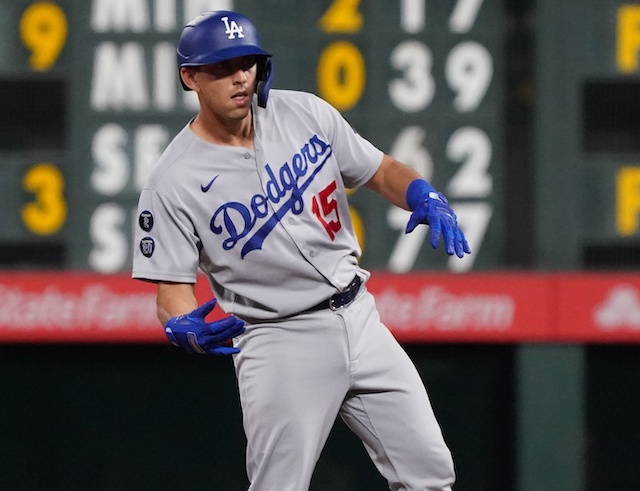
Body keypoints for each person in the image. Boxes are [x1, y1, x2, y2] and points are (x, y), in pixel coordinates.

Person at [132, 10, 470, 491]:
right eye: (223, 68)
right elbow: (172, 290)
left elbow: (380, 169)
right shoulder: (172, 181)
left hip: (359, 316)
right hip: (278, 338)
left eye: (246, 63)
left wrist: (423, 194)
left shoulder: (305, 113)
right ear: (190, 77)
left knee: (431, 473)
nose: (239, 77)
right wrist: (178, 322)